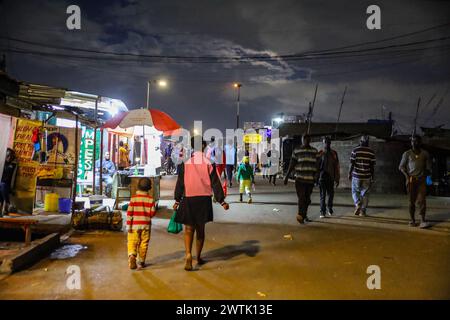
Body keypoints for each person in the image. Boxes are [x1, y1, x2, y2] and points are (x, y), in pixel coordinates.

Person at [173, 139, 229, 271]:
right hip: (203, 200)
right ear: (203, 146)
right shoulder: (209, 162)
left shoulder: (185, 163)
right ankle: (198, 257)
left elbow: (180, 183)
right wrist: (222, 201)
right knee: (200, 231)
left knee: (188, 229)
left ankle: (188, 255)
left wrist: (177, 200)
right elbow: (215, 183)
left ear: (191, 147)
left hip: (188, 199)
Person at [284, 134, 319, 224]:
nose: (306, 140)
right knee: (302, 198)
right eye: (305, 139)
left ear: (310, 140)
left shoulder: (314, 151)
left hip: (310, 180)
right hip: (300, 179)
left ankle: (304, 214)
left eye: (308, 139)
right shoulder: (297, 151)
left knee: (307, 199)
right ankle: (300, 215)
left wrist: (316, 176)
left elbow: (317, 165)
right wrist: (286, 177)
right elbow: (292, 164)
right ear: (302, 140)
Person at [399, 135, 432, 228]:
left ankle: (422, 220)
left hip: (421, 180)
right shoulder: (407, 154)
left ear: (420, 142)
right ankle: (412, 220)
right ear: (411, 142)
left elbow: (429, 167)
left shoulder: (425, 154)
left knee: (422, 200)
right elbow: (401, 167)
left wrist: (427, 176)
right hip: (411, 180)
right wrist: (407, 177)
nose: (415, 143)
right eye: (413, 141)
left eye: (417, 141)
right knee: (411, 201)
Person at [126, 177, 156, 270]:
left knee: (132, 241)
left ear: (137, 187)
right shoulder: (151, 200)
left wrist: (128, 226)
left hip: (134, 225)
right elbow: (152, 213)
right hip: (146, 226)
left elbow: (129, 213)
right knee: (144, 243)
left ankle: (132, 256)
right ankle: (141, 261)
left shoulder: (133, 199)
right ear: (150, 188)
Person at [348, 135, 376, 217]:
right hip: (367, 177)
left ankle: (357, 203)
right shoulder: (371, 152)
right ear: (367, 142)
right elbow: (372, 167)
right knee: (365, 194)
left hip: (356, 176)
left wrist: (349, 173)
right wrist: (373, 177)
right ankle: (363, 211)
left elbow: (351, 164)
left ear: (361, 141)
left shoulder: (355, 150)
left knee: (354, 191)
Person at [317, 136, 340, 218]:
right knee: (322, 195)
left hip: (330, 177)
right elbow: (317, 166)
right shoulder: (320, 153)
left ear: (330, 143)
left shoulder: (334, 153)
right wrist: (316, 178)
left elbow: (337, 166)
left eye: (328, 142)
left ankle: (330, 208)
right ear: (323, 143)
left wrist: (337, 178)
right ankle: (322, 212)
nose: (327, 144)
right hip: (322, 177)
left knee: (331, 194)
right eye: (325, 142)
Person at [0, 148, 18, 216]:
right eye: (8, 155)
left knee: (3, 186)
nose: (9, 157)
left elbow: (14, 177)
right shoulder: (2, 163)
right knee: (1, 187)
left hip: (7, 186)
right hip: (1, 186)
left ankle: (7, 205)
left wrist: (12, 188)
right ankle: (7, 206)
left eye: (11, 156)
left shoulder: (13, 165)